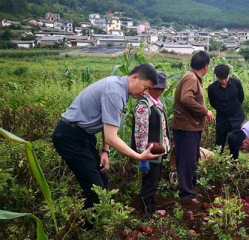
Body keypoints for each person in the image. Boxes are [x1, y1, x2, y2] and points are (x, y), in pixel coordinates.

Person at [52, 64, 162, 211]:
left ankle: (89, 219)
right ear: (135, 77)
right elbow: (111, 137)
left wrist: (105, 151)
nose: (146, 93)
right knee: (96, 191)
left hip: (84, 136)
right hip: (70, 137)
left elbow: (108, 123)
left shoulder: (119, 89)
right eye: (146, 87)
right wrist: (139, 156)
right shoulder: (114, 92)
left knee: (102, 182)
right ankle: (88, 229)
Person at [172, 51, 215, 202]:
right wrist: (205, 111)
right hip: (186, 127)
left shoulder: (192, 77)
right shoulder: (191, 78)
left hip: (191, 126)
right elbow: (186, 98)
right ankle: (186, 194)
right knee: (187, 160)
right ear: (205, 66)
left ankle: (191, 187)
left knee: (192, 158)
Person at [131, 71, 170, 218]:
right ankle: (146, 214)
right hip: (149, 153)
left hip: (157, 153)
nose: (161, 91)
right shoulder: (144, 105)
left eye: (162, 89)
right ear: (150, 87)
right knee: (149, 184)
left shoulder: (156, 104)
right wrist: (143, 156)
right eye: (158, 88)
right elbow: (140, 133)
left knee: (154, 182)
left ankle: (151, 209)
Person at [208, 64, 245, 160]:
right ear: (216, 77)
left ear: (228, 75)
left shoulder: (236, 83)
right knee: (219, 143)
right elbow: (212, 103)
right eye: (221, 79)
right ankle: (218, 163)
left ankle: (234, 164)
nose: (224, 81)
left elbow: (241, 98)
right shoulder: (212, 88)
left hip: (236, 117)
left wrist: (234, 108)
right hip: (222, 119)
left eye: (225, 78)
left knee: (235, 141)